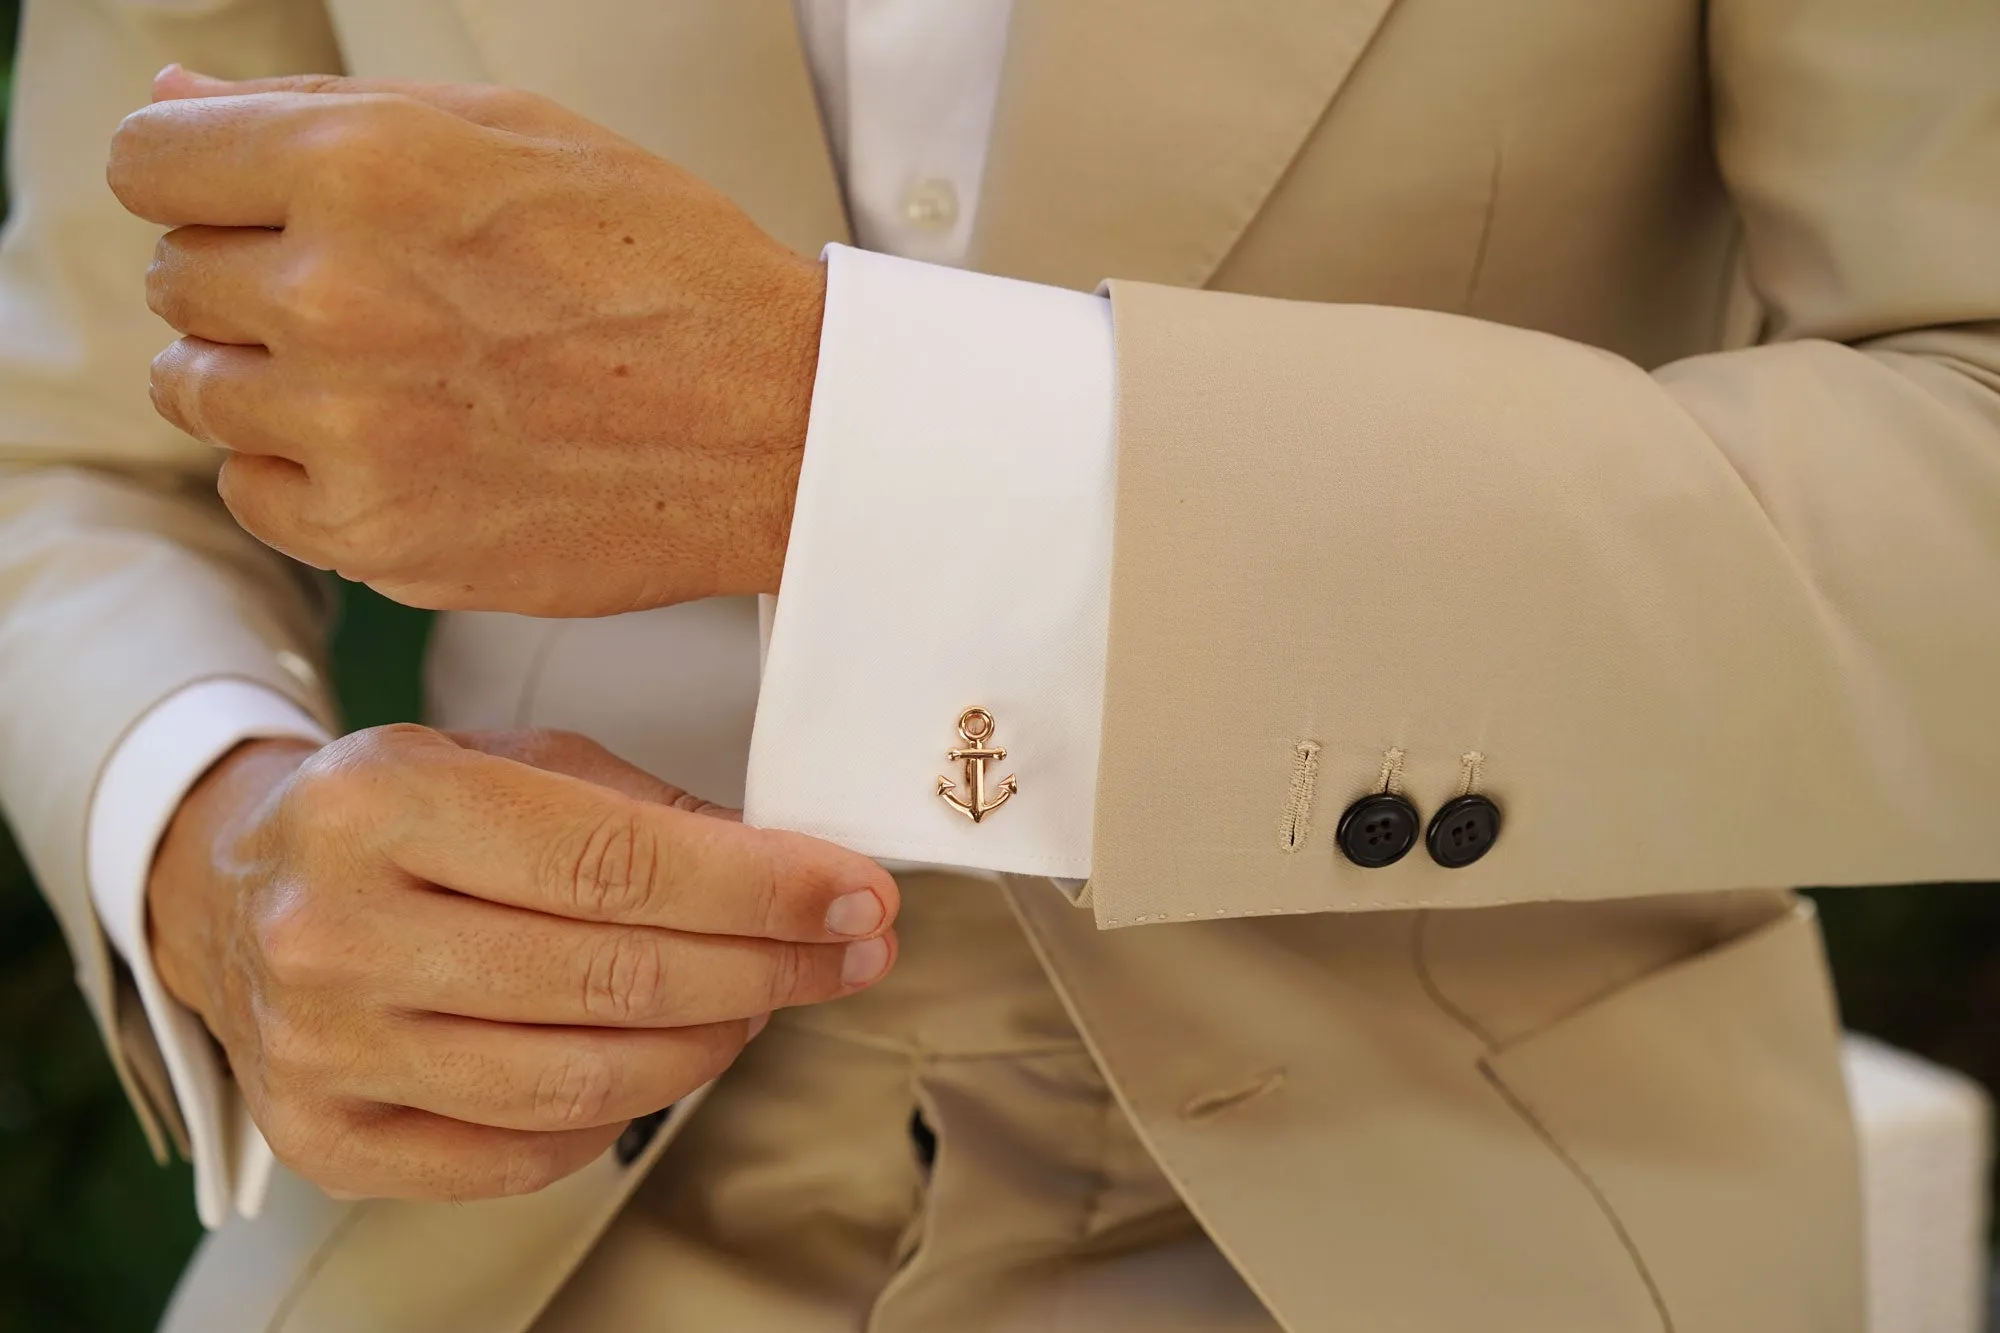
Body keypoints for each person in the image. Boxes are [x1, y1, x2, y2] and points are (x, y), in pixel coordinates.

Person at [3, 0, 1997, 1329]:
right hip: (488, 1246)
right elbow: (73, 449)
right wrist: (212, 842)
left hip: (1470, 1218)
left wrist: (850, 444)